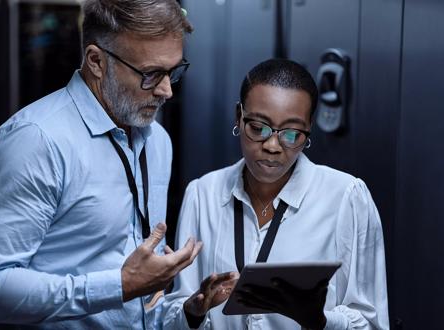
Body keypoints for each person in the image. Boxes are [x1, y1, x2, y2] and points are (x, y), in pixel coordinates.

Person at [0, 0, 202, 329]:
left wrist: (173, 297)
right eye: (151, 74)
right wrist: (121, 285)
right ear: (96, 61)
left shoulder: (157, 140)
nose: (167, 91)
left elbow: (132, 277)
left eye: (174, 71)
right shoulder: (36, 141)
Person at [162, 58, 389, 329]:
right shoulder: (203, 194)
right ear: (238, 116)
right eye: (258, 128)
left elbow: (371, 323)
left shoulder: (346, 198)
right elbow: (175, 311)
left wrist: (321, 321)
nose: (272, 146)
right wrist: (192, 313)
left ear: (308, 129)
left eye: (291, 134)